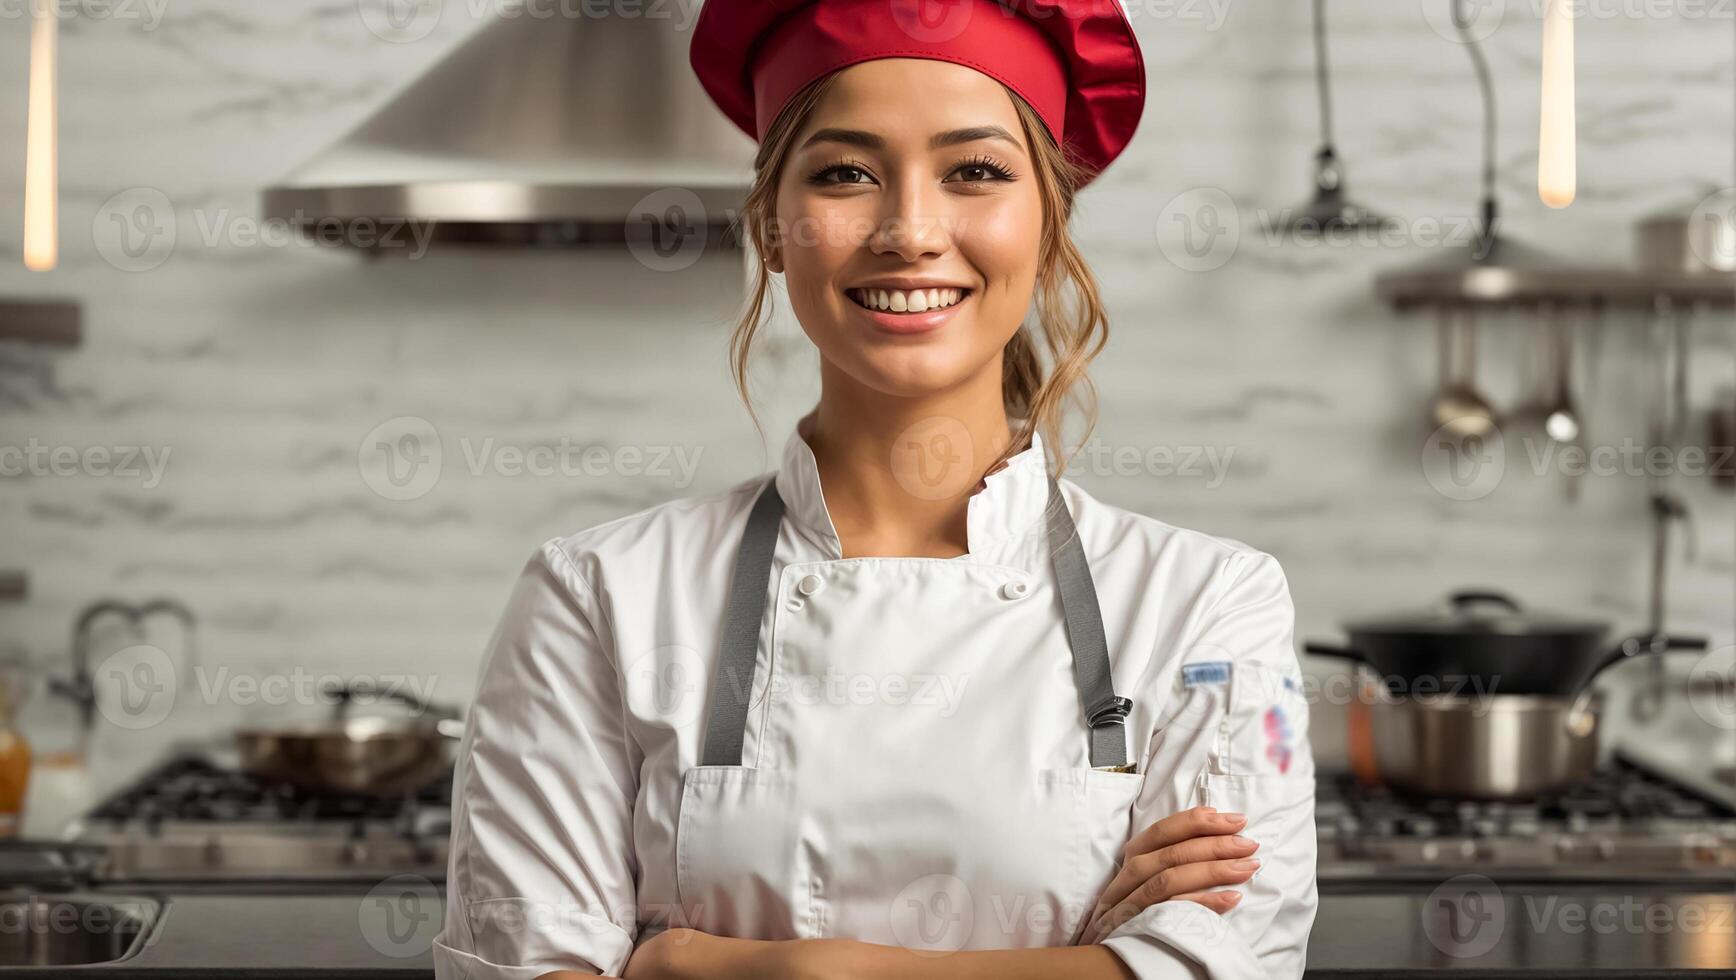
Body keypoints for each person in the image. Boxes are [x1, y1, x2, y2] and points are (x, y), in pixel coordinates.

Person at [433, 2, 1317, 977]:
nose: (909, 231)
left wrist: (724, 964)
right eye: (845, 172)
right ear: (770, 229)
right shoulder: (597, 594)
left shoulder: (1205, 601)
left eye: (974, 171)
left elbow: (1231, 965)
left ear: (1047, 221)